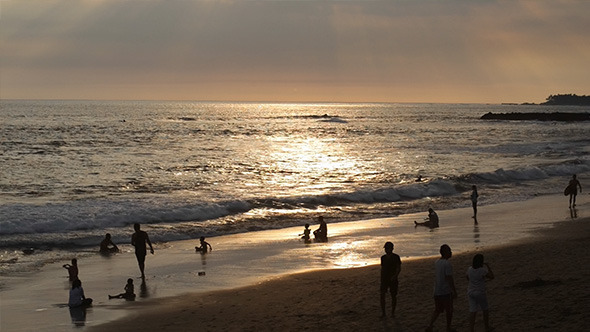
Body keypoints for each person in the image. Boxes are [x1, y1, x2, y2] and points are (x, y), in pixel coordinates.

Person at [426, 244, 457, 332]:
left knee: (438, 309)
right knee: (449, 310)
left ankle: (430, 325)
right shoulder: (447, 264)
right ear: (446, 253)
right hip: (445, 290)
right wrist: (454, 290)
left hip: (437, 290)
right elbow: (449, 278)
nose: (451, 252)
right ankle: (448, 327)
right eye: (449, 251)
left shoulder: (437, 262)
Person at [467, 254, 494, 332]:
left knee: (472, 311)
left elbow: (467, 277)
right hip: (479, 292)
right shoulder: (482, 270)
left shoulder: (469, 269)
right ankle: (487, 327)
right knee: (485, 309)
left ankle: (471, 329)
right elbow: (492, 276)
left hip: (470, 291)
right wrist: (488, 266)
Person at [380, 242, 401, 318]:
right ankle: (383, 313)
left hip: (393, 279)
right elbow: (382, 268)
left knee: (393, 296)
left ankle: (393, 313)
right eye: (385, 248)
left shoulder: (396, 257)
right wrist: (381, 278)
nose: (386, 250)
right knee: (382, 296)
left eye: (387, 248)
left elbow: (398, 268)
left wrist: (395, 276)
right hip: (384, 279)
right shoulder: (383, 258)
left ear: (392, 249)